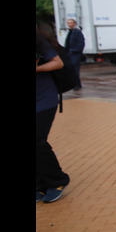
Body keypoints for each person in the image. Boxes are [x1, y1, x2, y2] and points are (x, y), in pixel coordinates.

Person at [37, 26, 70, 203]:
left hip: (43, 99)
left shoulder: (39, 41)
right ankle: (39, 185)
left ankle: (57, 180)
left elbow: (58, 63)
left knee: (37, 140)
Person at [65, 18, 85, 90]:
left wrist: (75, 50)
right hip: (70, 53)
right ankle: (77, 84)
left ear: (74, 24)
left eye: (71, 23)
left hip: (75, 53)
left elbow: (81, 43)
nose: (70, 24)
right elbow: (67, 43)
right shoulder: (70, 32)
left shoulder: (77, 32)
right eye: (68, 23)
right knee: (72, 69)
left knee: (75, 69)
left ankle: (77, 85)